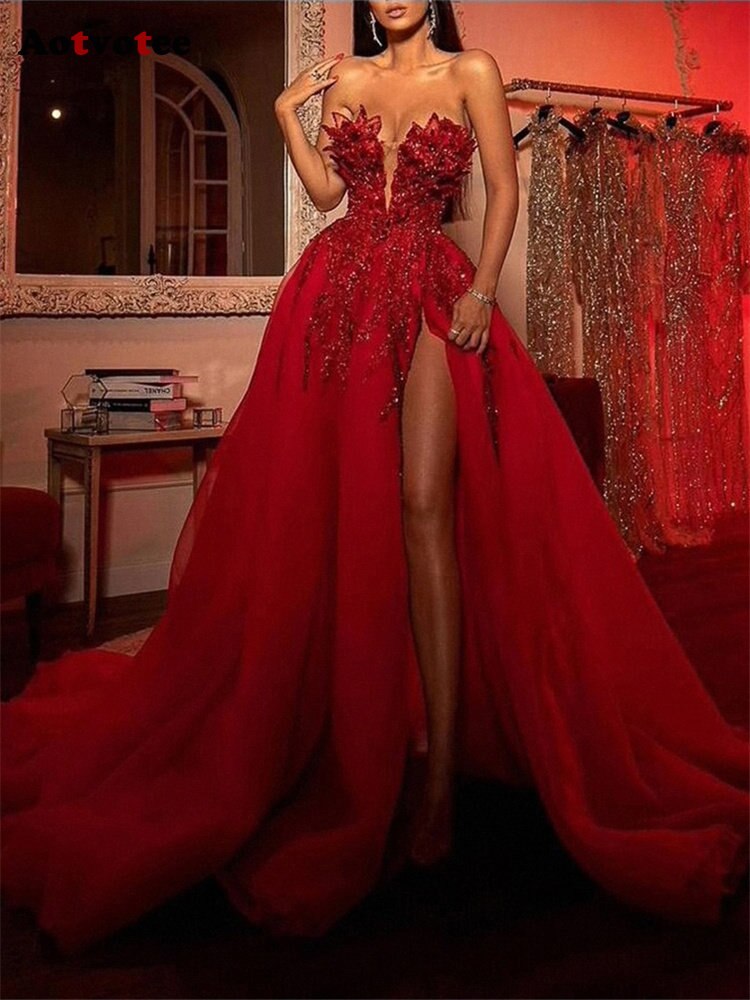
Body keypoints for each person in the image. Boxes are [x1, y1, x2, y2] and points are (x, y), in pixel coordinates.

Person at [2, 0, 748, 957]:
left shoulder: (472, 71)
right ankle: (358, 744)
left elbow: (504, 192)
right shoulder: (347, 79)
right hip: (340, 293)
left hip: (436, 290)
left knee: (424, 504)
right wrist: (285, 116)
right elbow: (323, 194)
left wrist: (482, 288)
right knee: (333, 511)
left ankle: (437, 785)